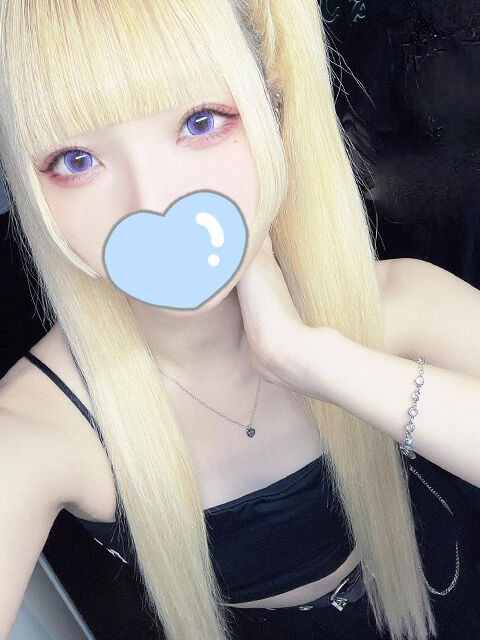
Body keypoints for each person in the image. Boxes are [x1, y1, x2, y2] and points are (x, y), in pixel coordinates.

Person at [0, 1, 479, 639]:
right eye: (76, 161)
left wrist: (315, 360)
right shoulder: (33, 428)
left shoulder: (403, 300)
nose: (153, 205)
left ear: (272, 115)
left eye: (200, 122)